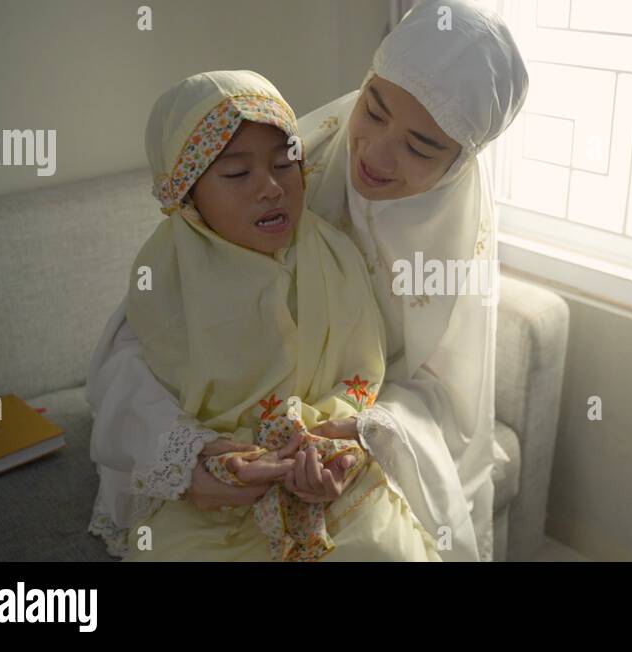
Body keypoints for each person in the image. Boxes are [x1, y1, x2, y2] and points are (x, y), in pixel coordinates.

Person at [87, 0, 528, 561]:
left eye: (420, 146)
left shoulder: (450, 256)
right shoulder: (292, 159)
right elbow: (141, 345)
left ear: (460, 163)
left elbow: (436, 397)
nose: (374, 151)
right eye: (373, 108)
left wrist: (359, 438)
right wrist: (189, 455)